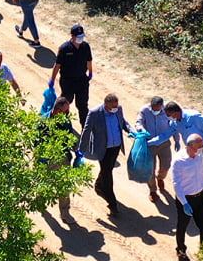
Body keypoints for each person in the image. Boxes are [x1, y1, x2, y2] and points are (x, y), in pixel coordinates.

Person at [82, 93, 132, 221]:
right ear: (106, 104)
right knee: (108, 177)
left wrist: (132, 131)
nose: (115, 109)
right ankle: (113, 204)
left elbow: (123, 122)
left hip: (115, 148)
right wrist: (81, 151)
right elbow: (86, 131)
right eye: (112, 107)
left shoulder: (118, 109)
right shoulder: (94, 113)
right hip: (103, 149)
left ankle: (99, 185)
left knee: (107, 170)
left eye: (116, 106)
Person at [171, 132, 203, 261]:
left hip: (201, 196)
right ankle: (181, 250)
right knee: (183, 226)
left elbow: (202, 173)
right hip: (187, 199)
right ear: (189, 146)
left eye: (201, 148)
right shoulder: (179, 161)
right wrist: (184, 203)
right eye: (198, 147)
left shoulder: (199, 156)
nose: (200, 150)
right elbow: (176, 184)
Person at [164, 102, 203, 188]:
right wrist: (151, 142)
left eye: (169, 115)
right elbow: (165, 135)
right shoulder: (174, 123)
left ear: (175, 112)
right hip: (190, 151)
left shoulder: (194, 117)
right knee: (194, 174)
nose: (168, 117)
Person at [52, 24, 93, 129]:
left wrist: (90, 72)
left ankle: (85, 129)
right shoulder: (64, 48)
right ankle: (60, 126)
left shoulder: (85, 46)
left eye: (81, 36)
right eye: (78, 36)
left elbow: (89, 61)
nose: (80, 39)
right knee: (64, 105)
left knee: (83, 105)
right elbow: (57, 65)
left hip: (82, 80)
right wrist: (52, 80)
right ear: (72, 36)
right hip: (67, 81)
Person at [140, 95, 176, 205]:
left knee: (166, 166)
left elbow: (173, 125)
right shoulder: (145, 110)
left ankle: (160, 178)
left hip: (164, 143)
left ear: (161, 106)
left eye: (157, 108)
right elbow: (139, 121)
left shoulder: (167, 111)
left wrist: (177, 140)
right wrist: (140, 129)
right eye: (153, 107)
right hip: (149, 144)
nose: (154, 110)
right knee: (150, 170)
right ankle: (153, 190)